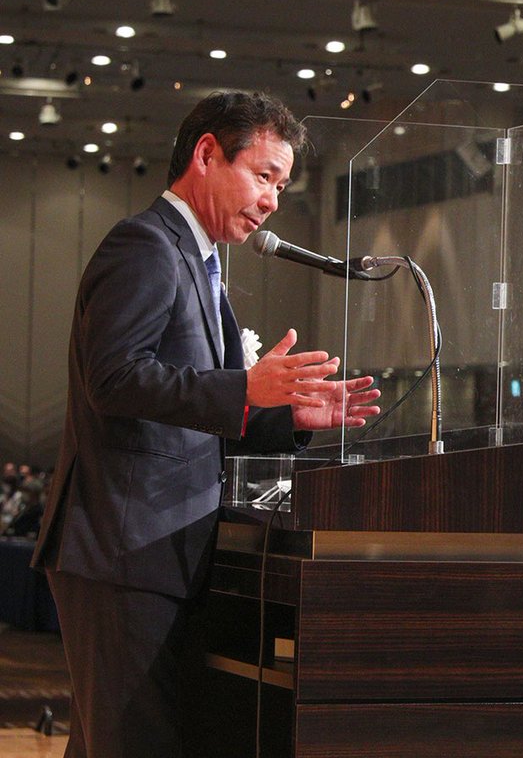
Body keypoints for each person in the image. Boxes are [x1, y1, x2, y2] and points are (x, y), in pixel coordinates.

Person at [30, 91, 382, 758]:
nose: (272, 201)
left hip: (155, 553)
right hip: (125, 551)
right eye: (264, 175)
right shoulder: (146, 245)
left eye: (281, 186)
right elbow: (114, 378)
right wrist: (244, 387)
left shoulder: (199, 261)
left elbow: (199, 418)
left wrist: (283, 414)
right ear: (206, 155)